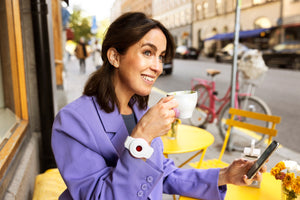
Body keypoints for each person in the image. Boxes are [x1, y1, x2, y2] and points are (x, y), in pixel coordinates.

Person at [52, 12, 266, 200]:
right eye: (147, 52)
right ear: (115, 57)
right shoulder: (72, 122)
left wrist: (225, 175)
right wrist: (142, 138)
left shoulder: (138, 109)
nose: (157, 67)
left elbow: (161, 173)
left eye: (161, 57)